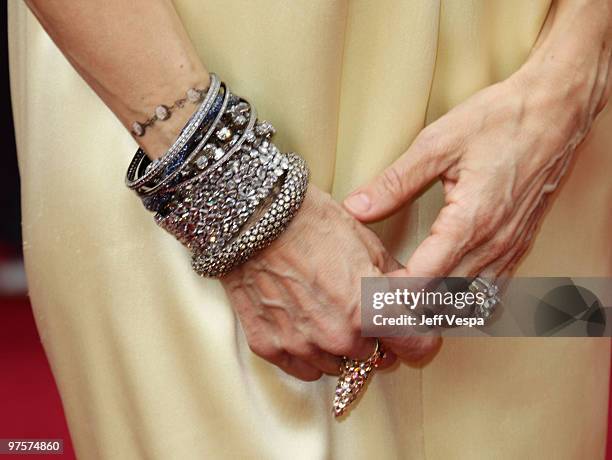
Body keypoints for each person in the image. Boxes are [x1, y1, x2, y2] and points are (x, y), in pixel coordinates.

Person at [9, 0, 611, 458]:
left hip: (540, 121)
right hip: (177, 96)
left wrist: (575, 75)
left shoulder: (559, 107)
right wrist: (234, 195)